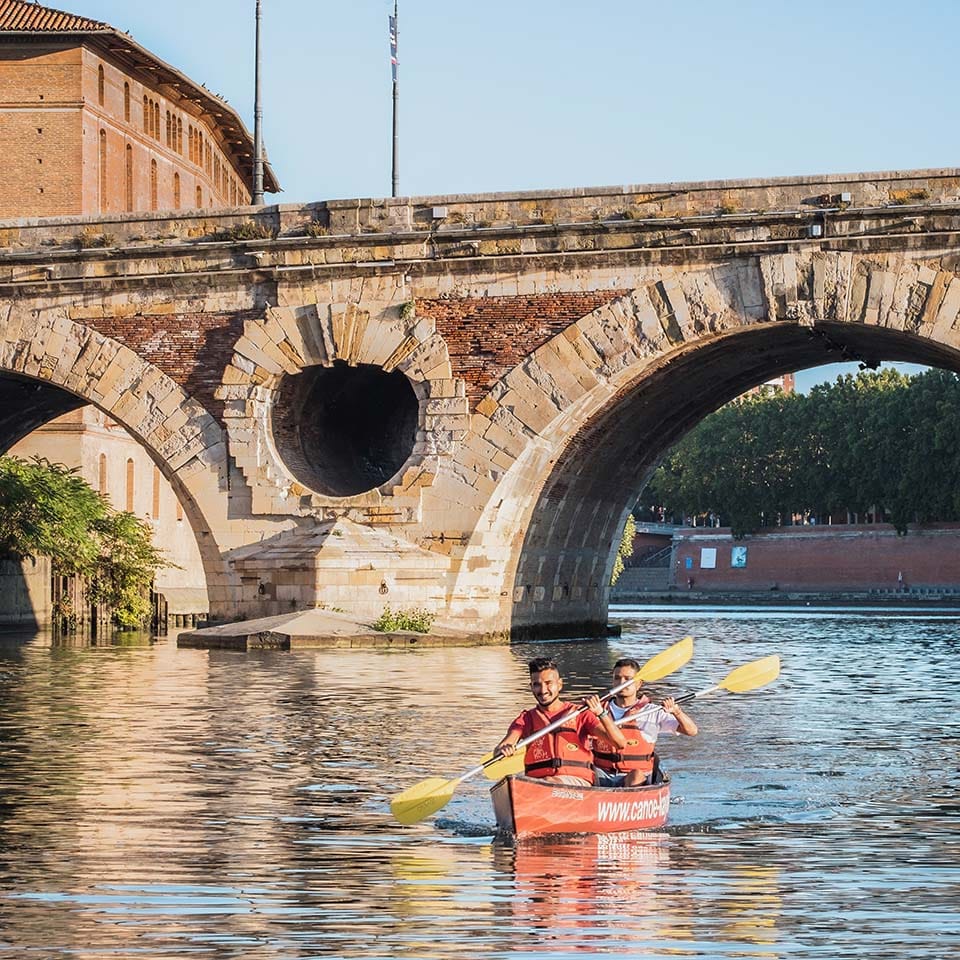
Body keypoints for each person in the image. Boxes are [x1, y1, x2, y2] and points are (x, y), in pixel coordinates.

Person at [493, 657, 627, 787]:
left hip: (576, 782)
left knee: (550, 782)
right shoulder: (525, 719)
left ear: (560, 685)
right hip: (538, 783)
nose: (543, 690)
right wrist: (503, 749)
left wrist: (601, 713)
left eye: (548, 683)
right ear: (531, 687)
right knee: (521, 784)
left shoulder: (581, 714)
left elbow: (619, 743)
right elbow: (504, 744)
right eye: (537, 685)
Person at [592, 657, 698, 788]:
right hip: (602, 773)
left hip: (636, 775)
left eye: (628, 679)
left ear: (639, 684)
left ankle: (629, 801)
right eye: (617, 678)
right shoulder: (597, 709)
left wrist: (676, 712)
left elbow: (692, 731)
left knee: (635, 776)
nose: (621, 683)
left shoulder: (652, 712)